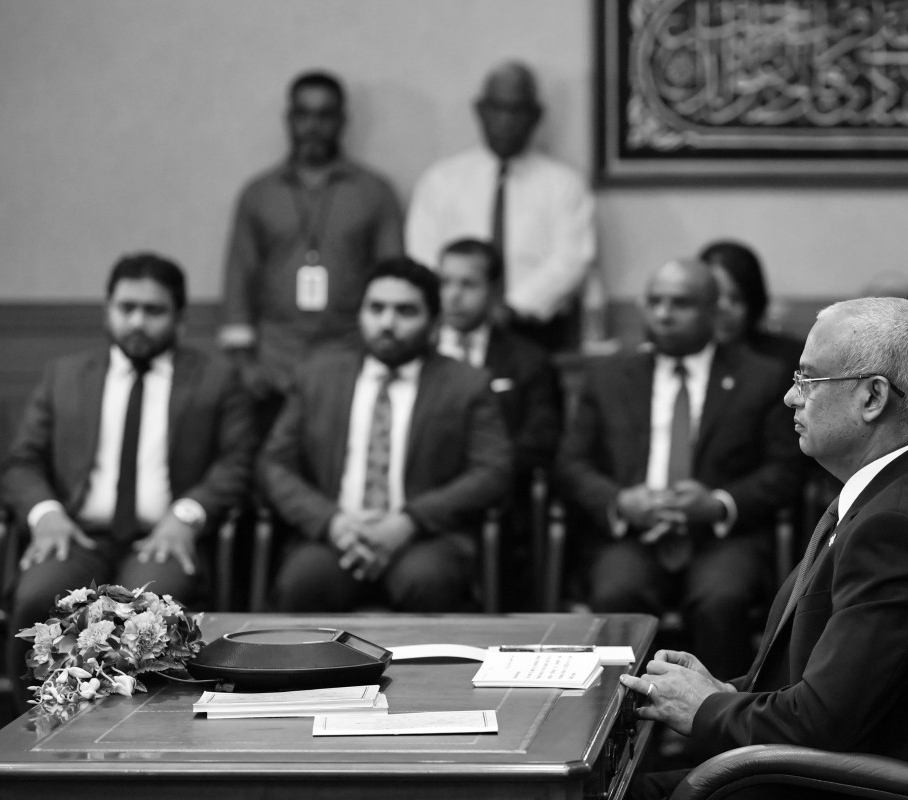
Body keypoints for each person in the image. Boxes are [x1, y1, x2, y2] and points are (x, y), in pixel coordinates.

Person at [619, 297, 908, 800]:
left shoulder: (901, 526)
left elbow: (821, 725)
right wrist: (723, 692)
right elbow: (829, 684)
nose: (789, 398)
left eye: (808, 381)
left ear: (872, 397)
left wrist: (706, 709)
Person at [1, 253, 255, 704]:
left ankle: (149, 742)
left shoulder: (216, 379)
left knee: (153, 612)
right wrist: (46, 515)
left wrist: (188, 514)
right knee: (37, 595)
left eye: (153, 310)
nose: (137, 321)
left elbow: (237, 461)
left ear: (180, 318)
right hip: (78, 536)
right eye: (126, 307)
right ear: (108, 309)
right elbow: (23, 461)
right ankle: (20, 732)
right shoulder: (66, 376)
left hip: (160, 538)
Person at [555, 258, 801, 679]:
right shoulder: (609, 376)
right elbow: (571, 464)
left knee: (721, 598)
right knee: (617, 591)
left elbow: (786, 470)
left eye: (680, 303)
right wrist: (619, 501)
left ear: (713, 310)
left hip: (720, 538)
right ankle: (620, 731)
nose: (664, 313)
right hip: (633, 535)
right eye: (655, 301)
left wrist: (721, 503)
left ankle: (714, 732)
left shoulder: (761, 377)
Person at [259, 256, 513, 613]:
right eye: (376, 308)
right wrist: (333, 523)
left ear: (434, 321)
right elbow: (275, 464)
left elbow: (493, 471)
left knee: (425, 582)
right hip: (336, 534)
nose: (387, 323)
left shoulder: (467, 385)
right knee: (303, 582)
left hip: (426, 536)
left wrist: (408, 522)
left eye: (405, 311)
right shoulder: (318, 377)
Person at [218, 70, 405, 420]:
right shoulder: (259, 193)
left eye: (324, 115)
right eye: (303, 114)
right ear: (289, 120)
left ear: (342, 120)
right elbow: (239, 275)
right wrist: (244, 363)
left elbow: (392, 278)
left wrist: (379, 356)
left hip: (349, 356)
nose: (313, 126)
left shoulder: (374, 192)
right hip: (273, 362)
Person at [406, 61, 595, 351]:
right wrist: (463, 303)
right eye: (497, 109)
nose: (506, 121)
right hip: (453, 329)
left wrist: (512, 307)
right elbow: (423, 253)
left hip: (535, 331)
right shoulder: (441, 180)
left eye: (517, 111)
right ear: (480, 110)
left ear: (535, 116)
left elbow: (571, 259)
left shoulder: (564, 184)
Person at [436, 237, 563, 609]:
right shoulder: (416, 353)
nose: (453, 296)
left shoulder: (528, 360)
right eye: (445, 282)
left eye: (467, 284)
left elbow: (541, 439)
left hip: (500, 502)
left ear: (494, 290)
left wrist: (481, 473)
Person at [698, 240, 803, 369]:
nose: (723, 307)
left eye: (736, 298)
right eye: (714, 295)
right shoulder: (678, 356)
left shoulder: (787, 360)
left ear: (753, 303)